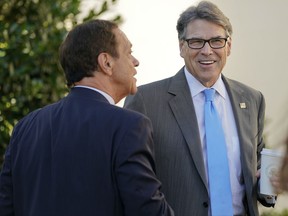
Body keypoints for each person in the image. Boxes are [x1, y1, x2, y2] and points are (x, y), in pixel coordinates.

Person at [0, 19, 174, 216]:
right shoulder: (129, 126)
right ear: (106, 62)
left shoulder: (25, 127)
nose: (135, 62)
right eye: (129, 53)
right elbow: (148, 210)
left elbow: (6, 206)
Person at [124, 1, 277, 215]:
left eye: (216, 41)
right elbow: (132, 179)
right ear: (181, 46)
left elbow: (256, 168)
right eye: (196, 41)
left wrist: (270, 183)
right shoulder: (145, 100)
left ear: (229, 46)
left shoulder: (252, 99)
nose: (207, 51)